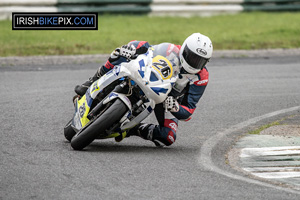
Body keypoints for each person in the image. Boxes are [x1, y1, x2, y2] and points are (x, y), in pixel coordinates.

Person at [74, 33, 212, 147]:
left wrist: (175, 108)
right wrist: (130, 49)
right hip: (147, 78)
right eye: (193, 57)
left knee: (168, 137)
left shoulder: (201, 77)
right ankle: (91, 81)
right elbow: (146, 47)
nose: (195, 62)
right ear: (184, 50)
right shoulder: (171, 50)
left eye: (200, 60)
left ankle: (132, 129)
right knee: (119, 53)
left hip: (167, 101)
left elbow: (189, 111)